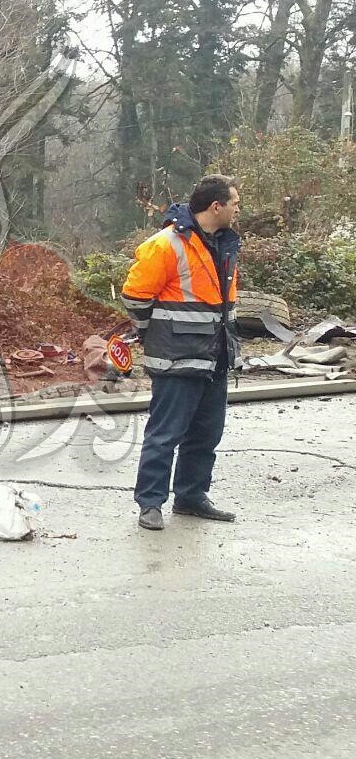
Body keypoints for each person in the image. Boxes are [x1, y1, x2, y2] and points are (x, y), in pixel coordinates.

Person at [122, 174, 242, 531]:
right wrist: (153, 334)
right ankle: (150, 503)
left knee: (206, 433)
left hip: (215, 354)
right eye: (234, 202)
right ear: (216, 206)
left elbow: (224, 305)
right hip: (177, 356)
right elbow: (134, 296)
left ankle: (191, 496)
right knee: (165, 433)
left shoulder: (225, 243)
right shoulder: (165, 244)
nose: (238, 208)